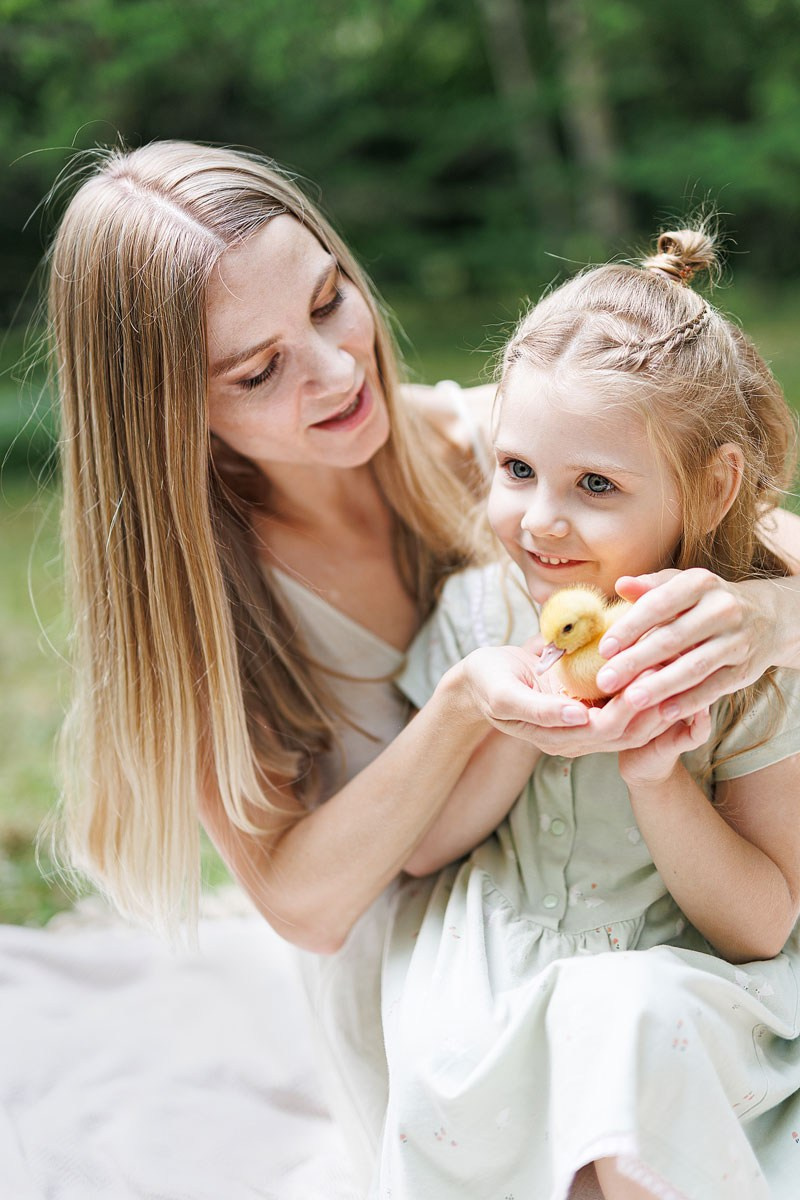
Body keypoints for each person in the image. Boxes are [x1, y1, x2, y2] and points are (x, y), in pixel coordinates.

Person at [46, 142, 800, 1187]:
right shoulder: (196, 614)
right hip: (442, 1009)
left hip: (653, 960)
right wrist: (462, 705)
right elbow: (304, 908)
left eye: (327, 301)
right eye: (259, 370)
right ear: (172, 418)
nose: (339, 369)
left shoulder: (482, 449)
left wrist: (763, 620)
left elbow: (735, 526)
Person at [375, 227, 800, 1199]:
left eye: (594, 486)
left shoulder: (735, 655)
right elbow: (423, 846)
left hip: (682, 983)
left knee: (618, 1021)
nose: (538, 519)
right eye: (516, 470)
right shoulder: (477, 614)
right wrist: (505, 722)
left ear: (710, 486)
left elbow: (760, 923)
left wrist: (655, 777)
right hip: (499, 965)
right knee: (501, 1062)